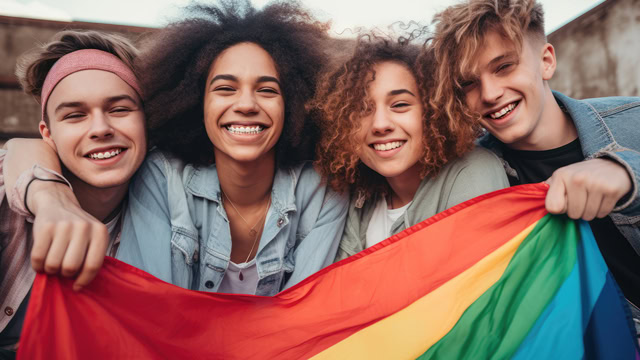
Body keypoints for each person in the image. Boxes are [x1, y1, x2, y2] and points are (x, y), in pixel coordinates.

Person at [429, 0, 640, 334]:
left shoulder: (633, 118)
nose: (489, 93)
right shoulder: (472, 177)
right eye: (468, 83)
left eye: (504, 67)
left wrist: (627, 172)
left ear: (546, 61)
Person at [0, 30, 146, 355]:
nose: (100, 129)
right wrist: (49, 197)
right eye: (75, 115)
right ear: (47, 135)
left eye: (120, 109)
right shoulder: (10, 203)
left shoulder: (171, 206)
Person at [311, 34, 509, 261]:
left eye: (400, 105)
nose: (380, 124)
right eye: (363, 109)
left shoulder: (473, 170)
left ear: (433, 111)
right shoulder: (357, 198)